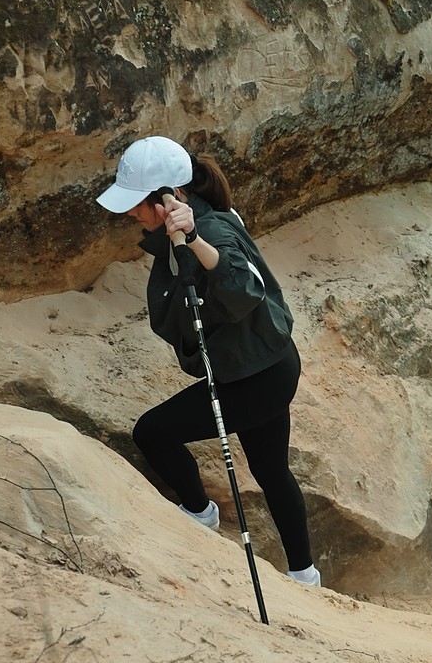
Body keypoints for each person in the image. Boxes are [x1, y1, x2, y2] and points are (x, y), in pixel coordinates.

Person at [95, 135, 320, 587]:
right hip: (267, 364)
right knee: (271, 469)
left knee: (152, 433)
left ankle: (199, 513)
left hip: (256, 377)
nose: (129, 215)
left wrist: (194, 238)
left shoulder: (210, 229)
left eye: (136, 204)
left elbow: (241, 286)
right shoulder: (192, 220)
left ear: (168, 197)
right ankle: (304, 575)